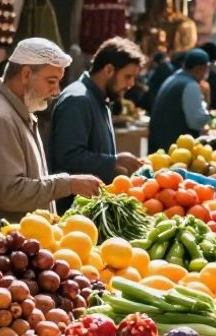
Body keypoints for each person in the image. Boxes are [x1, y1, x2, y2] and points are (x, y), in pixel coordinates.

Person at [0, 38, 104, 245]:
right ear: (26, 74)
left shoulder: (16, 111)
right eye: (51, 81)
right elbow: (10, 193)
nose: (56, 91)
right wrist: (68, 184)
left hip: (14, 252)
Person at [48, 38, 146, 212]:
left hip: (91, 209)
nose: (131, 84)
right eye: (128, 77)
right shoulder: (78, 100)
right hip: (73, 212)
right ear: (109, 70)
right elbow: (69, 157)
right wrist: (115, 161)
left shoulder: (98, 98)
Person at [148, 48, 212, 152]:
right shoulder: (191, 85)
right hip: (174, 150)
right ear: (199, 68)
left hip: (160, 146)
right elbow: (196, 122)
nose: (207, 72)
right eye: (207, 68)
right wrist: (210, 117)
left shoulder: (173, 78)